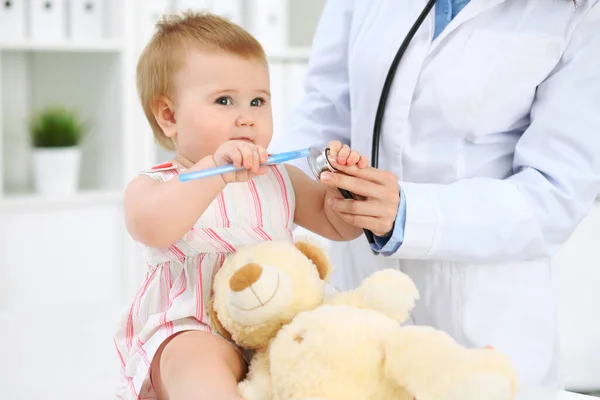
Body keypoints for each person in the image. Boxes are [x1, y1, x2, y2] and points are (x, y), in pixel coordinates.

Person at [285, 0, 600, 390]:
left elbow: (555, 194)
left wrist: (409, 213)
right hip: (359, 304)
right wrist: (267, 199)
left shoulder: (581, 14)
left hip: (482, 324)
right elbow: (323, 115)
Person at [112, 12, 369, 400]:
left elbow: (341, 226)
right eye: (224, 100)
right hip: (194, 326)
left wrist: (345, 186)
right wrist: (215, 170)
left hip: (275, 329)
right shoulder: (158, 184)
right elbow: (151, 227)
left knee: (341, 353)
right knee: (196, 363)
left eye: (258, 101)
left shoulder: (279, 177)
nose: (246, 118)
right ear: (169, 116)